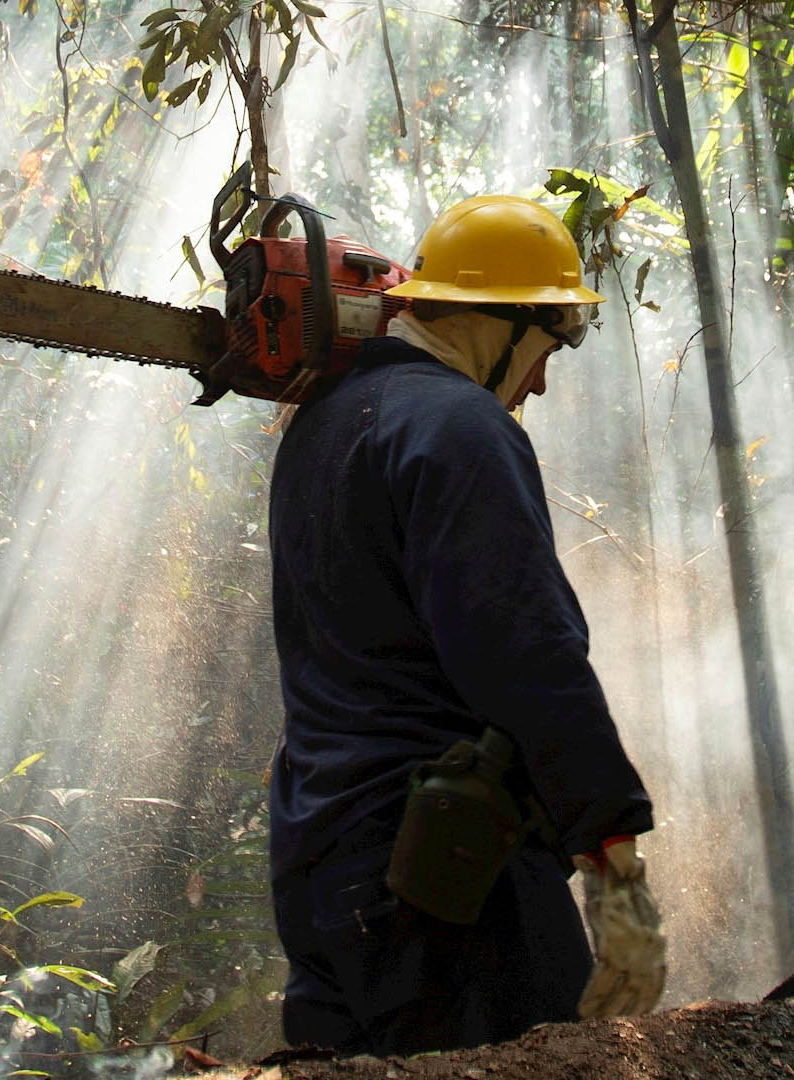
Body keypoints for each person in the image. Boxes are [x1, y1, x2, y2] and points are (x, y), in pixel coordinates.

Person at [266, 195, 662, 1056]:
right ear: (505, 325)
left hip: (322, 865)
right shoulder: (461, 426)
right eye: (548, 346)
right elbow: (526, 652)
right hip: (446, 884)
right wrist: (613, 856)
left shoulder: (320, 428)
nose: (544, 381)